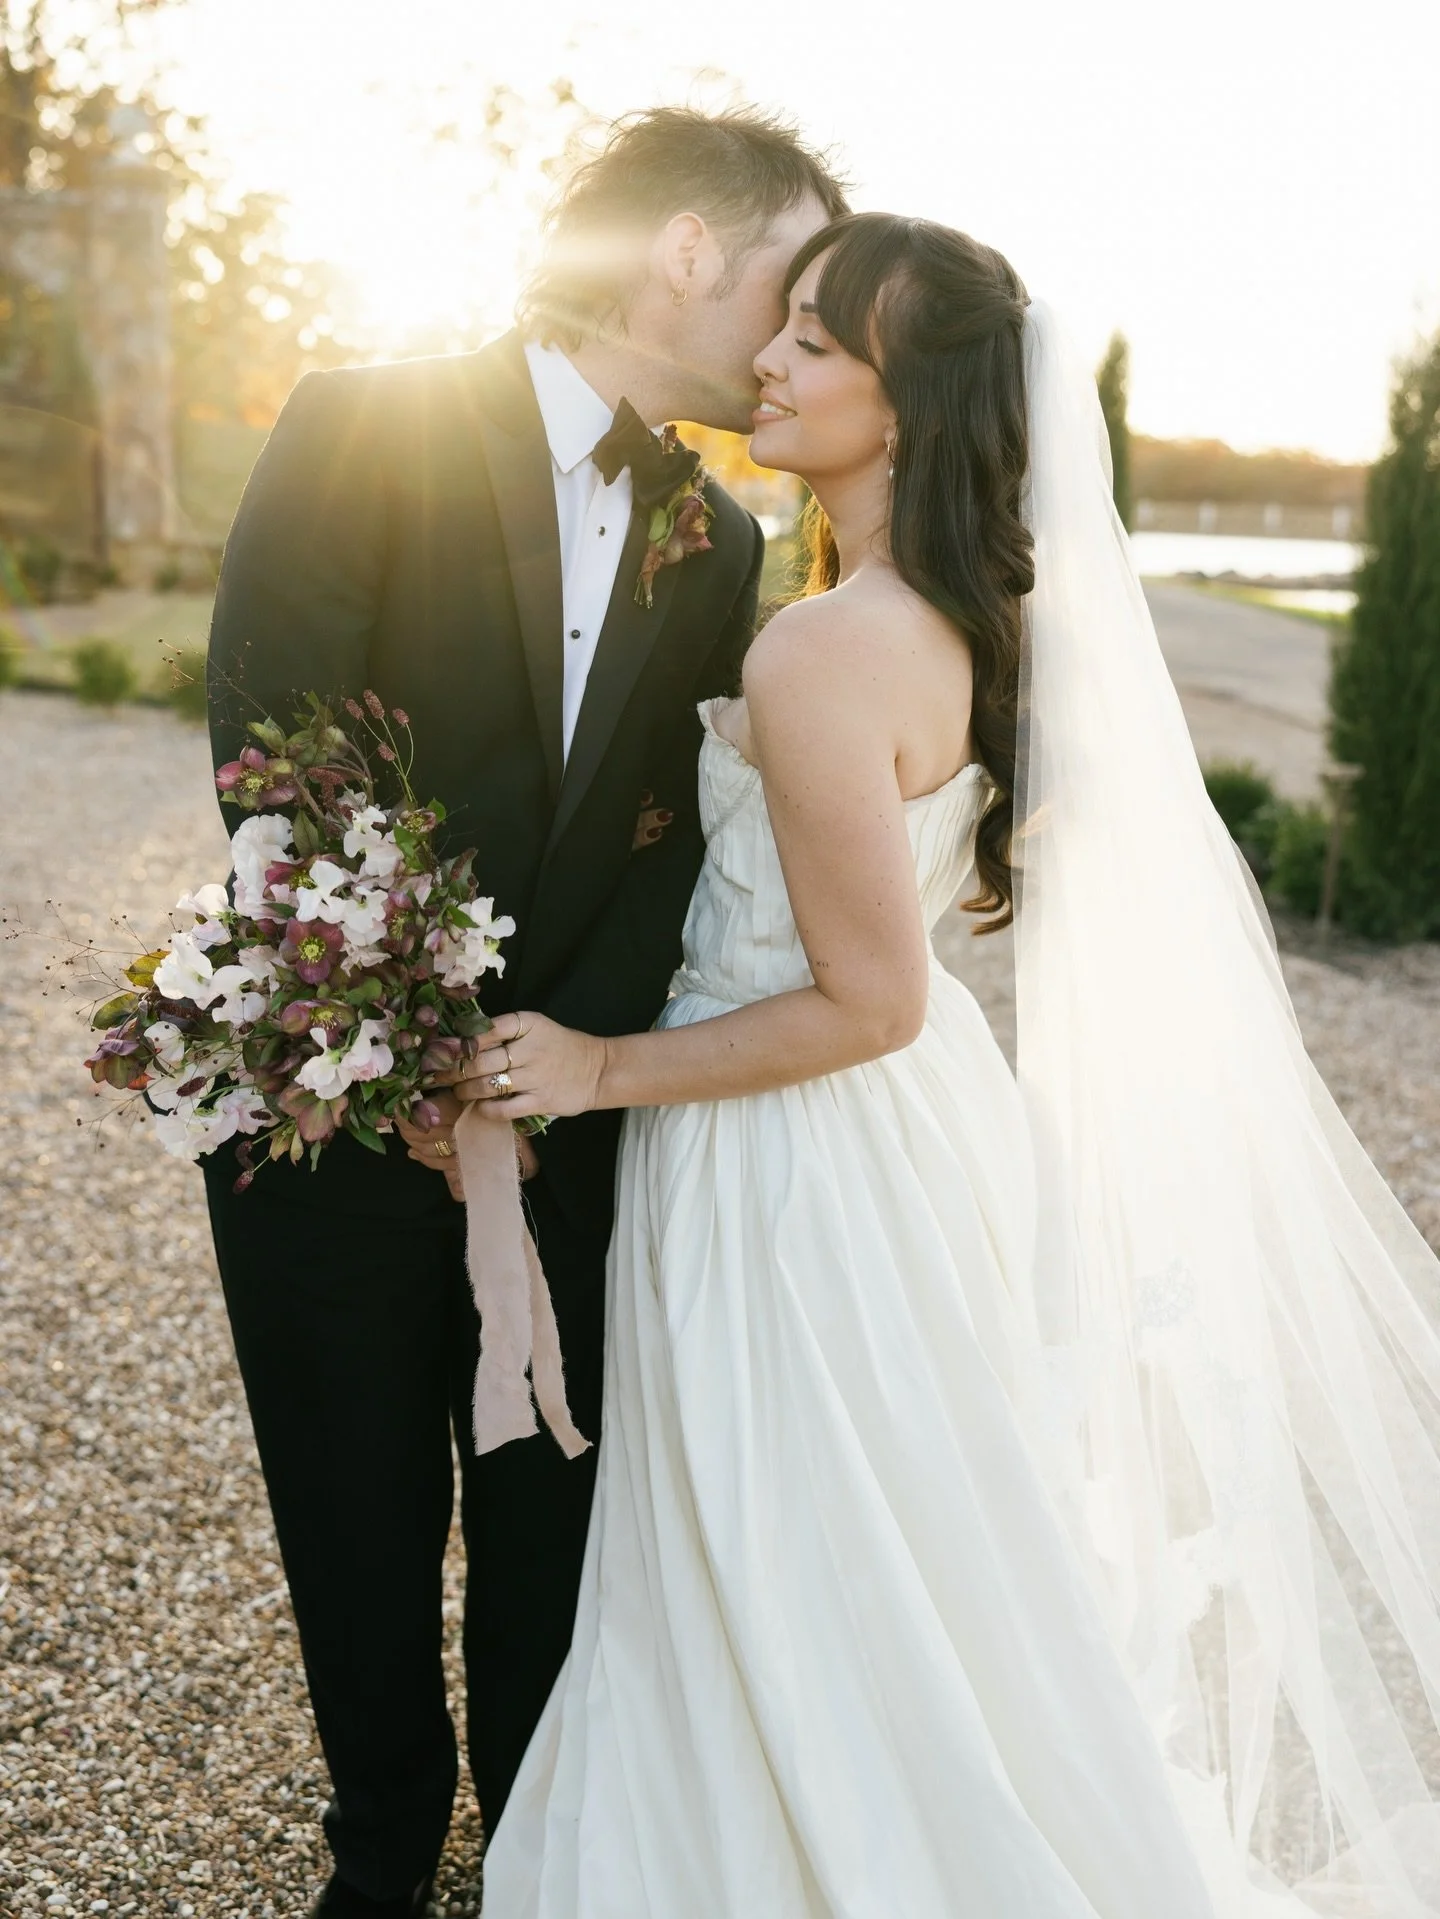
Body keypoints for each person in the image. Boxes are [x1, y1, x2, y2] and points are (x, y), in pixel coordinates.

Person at [448, 215, 1440, 1916]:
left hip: (794, 1156)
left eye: (819, 342)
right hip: (888, 1144)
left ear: (907, 408)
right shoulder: (923, 615)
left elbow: (872, 998)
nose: (768, 353)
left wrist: (596, 1065)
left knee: (791, 1547)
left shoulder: (823, 646)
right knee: (898, 1548)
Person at [202, 107, 848, 1918]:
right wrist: (405, 1042)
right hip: (329, 1104)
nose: (800, 336)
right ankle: (382, 1850)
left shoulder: (717, 539)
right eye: (791, 286)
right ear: (692, 254)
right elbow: (276, 742)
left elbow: (668, 845)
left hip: (571, 1124)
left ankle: (544, 1859)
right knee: (350, 1508)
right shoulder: (361, 418)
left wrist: (560, 1075)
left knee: (551, 1529)